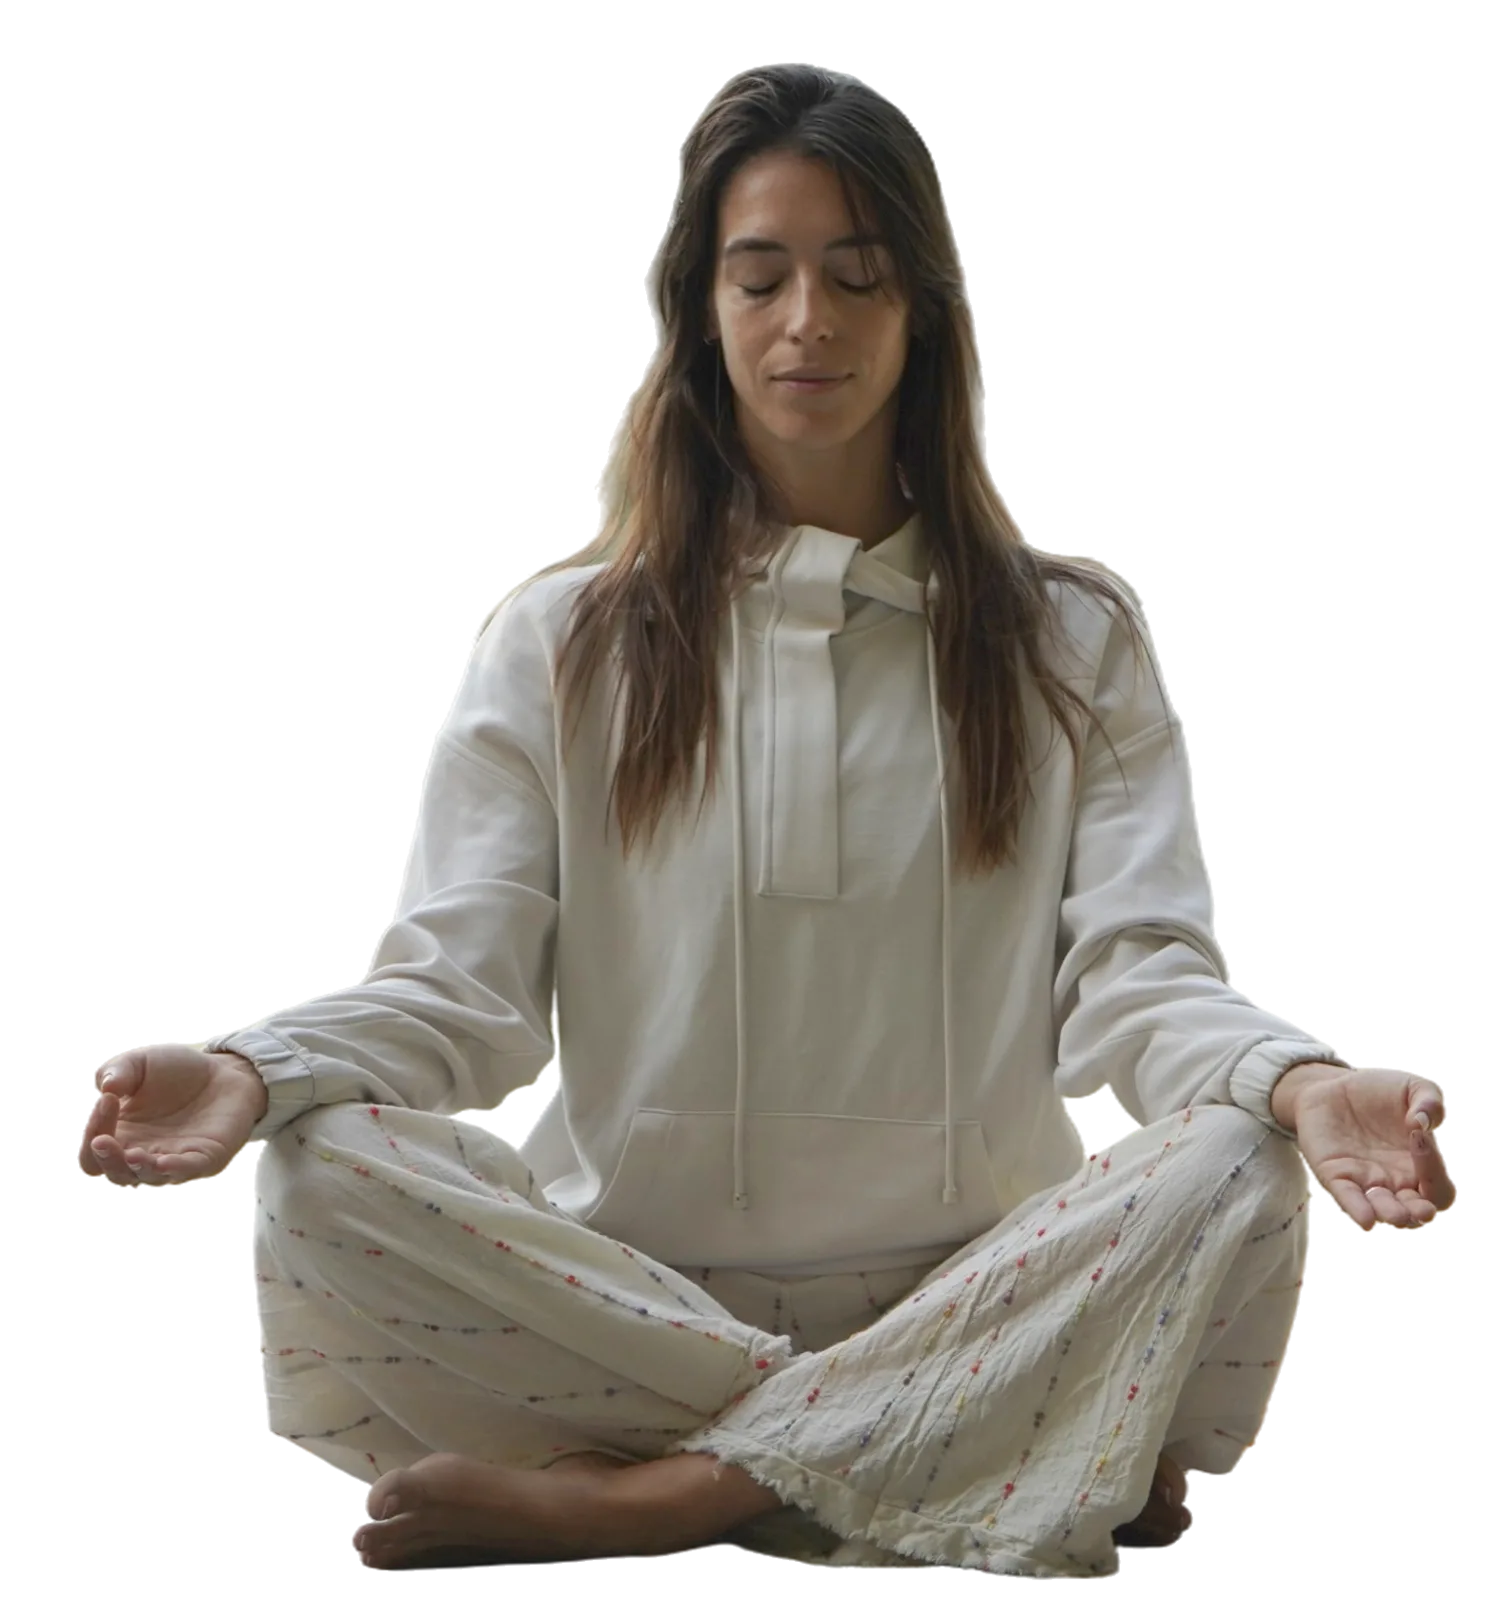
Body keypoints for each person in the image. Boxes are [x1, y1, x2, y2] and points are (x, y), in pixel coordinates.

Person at [78, 64, 1456, 1581]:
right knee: (315, 1163)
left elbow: (1141, 979)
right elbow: (457, 994)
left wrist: (1308, 1079)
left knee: (1242, 1158)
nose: (810, 321)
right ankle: (1005, 1444)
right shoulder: (554, 638)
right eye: (764, 273)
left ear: (925, 311)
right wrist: (250, 1066)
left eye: (860, 277)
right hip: (621, 1294)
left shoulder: (1078, 633)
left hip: (987, 1276)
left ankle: (662, 1498)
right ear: (700, 306)